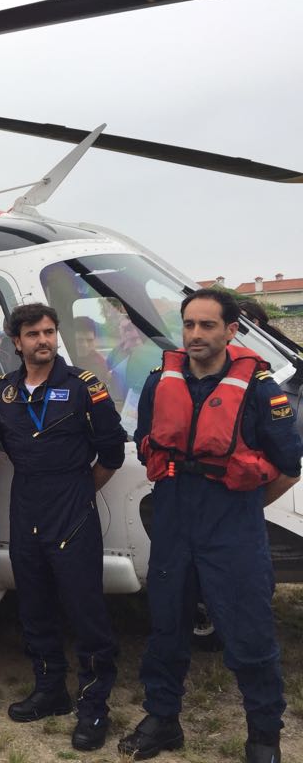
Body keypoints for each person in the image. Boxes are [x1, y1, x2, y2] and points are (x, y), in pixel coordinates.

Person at [120, 289, 302, 763]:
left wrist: (243, 507)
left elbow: (288, 465)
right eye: (189, 325)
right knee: (166, 628)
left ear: (230, 330)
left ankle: (264, 737)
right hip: (175, 519)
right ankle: (162, 720)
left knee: (250, 635)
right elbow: (145, 442)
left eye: (207, 325)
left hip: (232, 525)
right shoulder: (161, 381)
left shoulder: (261, 389)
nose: (196, 334)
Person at [0, 304, 126, 752]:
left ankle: (93, 706)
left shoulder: (84, 387)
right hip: (26, 504)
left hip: (73, 506)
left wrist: (80, 489)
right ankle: (50, 690)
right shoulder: (4, 392)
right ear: (17, 341)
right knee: (33, 605)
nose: (43, 340)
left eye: (49, 331)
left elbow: (112, 453)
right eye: (33, 333)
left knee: (85, 611)